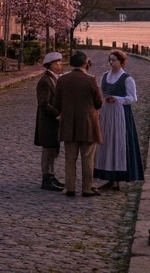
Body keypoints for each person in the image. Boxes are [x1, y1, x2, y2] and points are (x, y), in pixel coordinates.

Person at [53, 50, 103, 197]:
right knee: (87, 158)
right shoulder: (90, 79)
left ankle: (70, 187)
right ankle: (87, 188)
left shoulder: (62, 80)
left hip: (68, 123)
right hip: (87, 123)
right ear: (84, 63)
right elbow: (98, 103)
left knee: (70, 158)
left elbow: (56, 103)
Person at [94, 49, 144, 191]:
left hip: (120, 114)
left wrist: (117, 99)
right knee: (107, 143)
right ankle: (108, 176)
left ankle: (117, 179)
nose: (111, 62)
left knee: (119, 144)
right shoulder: (105, 76)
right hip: (106, 113)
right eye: (110, 59)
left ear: (121, 62)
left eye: (114, 60)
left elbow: (132, 98)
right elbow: (100, 92)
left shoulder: (127, 78)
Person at [35, 52, 65, 191]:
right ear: (50, 65)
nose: (60, 64)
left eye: (60, 62)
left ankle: (51, 175)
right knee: (48, 150)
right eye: (57, 62)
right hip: (48, 121)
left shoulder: (55, 79)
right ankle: (46, 178)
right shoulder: (45, 81)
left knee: (54, 149)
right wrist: (57, 113)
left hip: (54, 121)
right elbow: (43, 103)